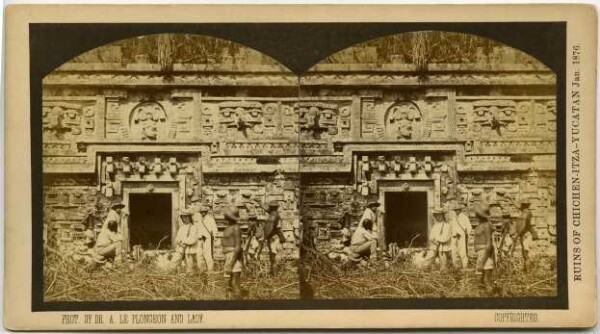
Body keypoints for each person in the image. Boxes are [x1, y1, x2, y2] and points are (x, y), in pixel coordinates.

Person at [221, 206, 243, 298]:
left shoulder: (236, 228)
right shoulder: (228, 227)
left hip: (233, 258)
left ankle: (239, 304)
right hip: (227, 257)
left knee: (234, 283)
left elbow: (238, 247)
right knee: (227, 284)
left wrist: (231, 263)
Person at [473, 202, 494, 290]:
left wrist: (482, 261)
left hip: (484, 254)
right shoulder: (481, 225)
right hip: (480, 254)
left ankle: (492, 297)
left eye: (476, 213)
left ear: (479, 215)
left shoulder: (486, 225)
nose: (474, 214)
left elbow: (489, 244)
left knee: (486, 280)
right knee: (479, 280)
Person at [194, 203, 217, 274]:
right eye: (202, 212)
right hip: (199, 238)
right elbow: (196, 229)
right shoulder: (198, 220)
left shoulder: (210, 219)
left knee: (208, 254)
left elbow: (215, 229)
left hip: (207, 238)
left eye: (204, 212)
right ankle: (201, 269)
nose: (203, 213)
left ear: (206, 212)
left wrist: (214, 237)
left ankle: (210, 269)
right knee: (199, 254)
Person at [175, 209, 199, 275]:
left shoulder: (193, 228)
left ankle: (190, 277)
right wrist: (180, 243)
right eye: (183, 217)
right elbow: (177, 238)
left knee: (189, 267)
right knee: (174, 263)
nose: (184, 219)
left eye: (186, 217)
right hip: (181, 249)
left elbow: (193, 240)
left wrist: (185, 241)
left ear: (190, 218)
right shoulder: (181, 228)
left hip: (189, 251)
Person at [449, 203, 472, 269]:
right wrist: (453, 234)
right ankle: (456, 266)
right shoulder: (454, 218)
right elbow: (452, 227)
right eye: (455, 210)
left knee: (462, 251)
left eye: (458, 210)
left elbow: (469, 227)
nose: (456, 211)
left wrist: (464, 234)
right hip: (454, 236)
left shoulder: (464, 217)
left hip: (461, 236)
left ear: (460, 210)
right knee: (454, 252)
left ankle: (465, 266)